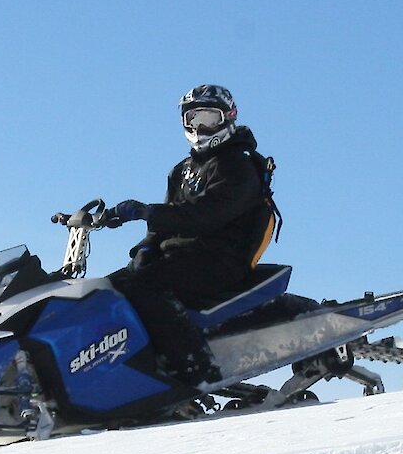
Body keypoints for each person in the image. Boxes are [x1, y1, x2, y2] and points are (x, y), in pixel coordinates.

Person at [103, 84, 279, 386]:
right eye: (193, 119)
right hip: (181, 257)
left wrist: (148, 211)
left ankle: (193, 368)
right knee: (107, 290)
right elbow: (165, 225)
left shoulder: (237, 165)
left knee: (144, 288)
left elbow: (206, 214)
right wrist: (145, 249)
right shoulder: (181, 170)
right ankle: (124, 370)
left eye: (208, 119)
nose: (200, 127)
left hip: (221, 258)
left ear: (228, 117)